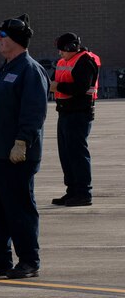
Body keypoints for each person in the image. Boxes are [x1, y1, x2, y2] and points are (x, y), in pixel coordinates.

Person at [0, 14, 48, 279]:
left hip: (17, 155)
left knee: (19, 209)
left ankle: (29, 260)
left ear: (15, 40)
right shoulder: (2, 69)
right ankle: (0, 259)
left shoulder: (29, 70)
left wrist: (22, 142)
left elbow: (34, 111)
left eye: (2, 36)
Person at [49, 32, 100, 207]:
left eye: (62, 50)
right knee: (66, 154)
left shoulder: (85, 61)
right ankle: (72, 191)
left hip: (79, 113)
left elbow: (80, 87)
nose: (60, 53)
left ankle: (84, 193)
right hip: (65, 112)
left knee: (77, 154)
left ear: (71, 48)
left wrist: (57, 86)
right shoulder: (65, 61)